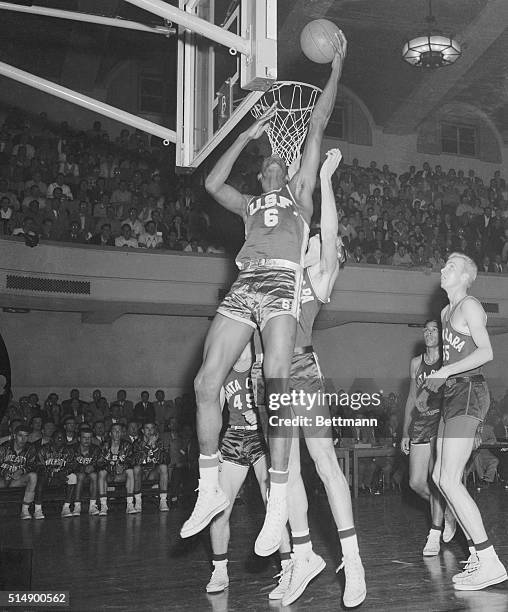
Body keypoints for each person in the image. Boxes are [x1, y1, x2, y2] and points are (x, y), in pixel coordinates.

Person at [181, 33, 347, 555]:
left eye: (282, 155)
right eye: (269, 158)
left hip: (280, 281)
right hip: (245, 283)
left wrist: (338, 66)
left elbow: (317, 119)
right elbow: (211, 183)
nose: (277, 158)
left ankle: (277, 502)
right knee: (207, 381)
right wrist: (247, 130)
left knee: (276, 388)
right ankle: (209, 489)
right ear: (262, 169)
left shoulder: (299, 193)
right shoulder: (251, 203)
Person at [254, 150, 366, 608]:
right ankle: (303, 555)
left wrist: (323, 178)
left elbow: (331, 228)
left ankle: (353, 559)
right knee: (286, 475)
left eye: (322, 239)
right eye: (313, 237)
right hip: (269, 376)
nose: (316, 238)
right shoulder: (282, 265)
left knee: (324, 462)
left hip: (301, 370)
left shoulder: (320, 277)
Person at [425, 252, 507, 590]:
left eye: (452, 267)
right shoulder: (445, 312)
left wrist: (445, 370)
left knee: (449, 478)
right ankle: (476, 552)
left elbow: (486, 352)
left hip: (471, 391)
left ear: (465, 277)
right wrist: (440, 378)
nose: (444, 269)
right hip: (453, 393)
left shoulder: (470, 305)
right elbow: (453, 361)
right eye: (444, 264)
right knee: (439, 477)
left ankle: (489, 560)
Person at [206, 340, 292, 599]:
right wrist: (212, 448)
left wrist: (261, 413)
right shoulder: (222, 366)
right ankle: (219, 570)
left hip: (261, 437)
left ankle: (289, 567)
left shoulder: (262, 361)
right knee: (219, 508)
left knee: (271, 502)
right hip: (233, 437)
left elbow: (283, 401)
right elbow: (213, 412)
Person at [401, 320, 453, 556]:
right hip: (420, 422)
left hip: (441, 420)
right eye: (426, 330)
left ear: (442, 335)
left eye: (434, 329)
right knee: (416, 483)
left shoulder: (448, 360)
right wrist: (404, 431)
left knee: (436, 478)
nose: (429, 333)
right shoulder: (415, 363)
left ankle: (434, 533)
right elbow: (412, 398)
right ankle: (447, 507)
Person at [35, 428, 77, 518]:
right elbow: (39, 466)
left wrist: (64, 472)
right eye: (58, 437)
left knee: (73, 477)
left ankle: (66, 507)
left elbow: (72, 466)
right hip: (46, 477)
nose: (60, 439)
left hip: (61, 476)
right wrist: (52, 474)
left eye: (62, 438)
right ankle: (37, 509)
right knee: (40, 477)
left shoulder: (69, 451)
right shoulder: (43, 449)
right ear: (52, 439)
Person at [0, 424, 37, 519]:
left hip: (17, 480)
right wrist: (4, 472)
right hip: (2, 479)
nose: (23, 439)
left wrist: (21, 471)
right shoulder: (4, 447)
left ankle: (25, 510)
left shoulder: (30, 448)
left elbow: (33, 465)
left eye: (26, 436)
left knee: (33, 476)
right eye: (20, 435)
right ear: (14, 436)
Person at [97, 423, 136, 515]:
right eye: (115, 430)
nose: (117, 433)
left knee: (130, 471)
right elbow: (99, 462)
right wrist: (111, 468)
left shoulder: (127, 445)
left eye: (119, 431)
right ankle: (103, 506)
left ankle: (130, 504)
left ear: (122, 433)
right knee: (101, 473)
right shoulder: (104, 445)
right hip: (109, 474)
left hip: (122, 474)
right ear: (110, 433)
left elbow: (132, 461)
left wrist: (122, 466)